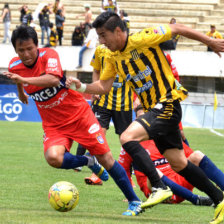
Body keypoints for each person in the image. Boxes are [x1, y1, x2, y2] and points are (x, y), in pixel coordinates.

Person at [65, 11, 224, 224]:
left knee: (127, 137)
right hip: (154, 109)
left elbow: (176, 29)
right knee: (178, 163)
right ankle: (220, 200)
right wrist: (83, 86)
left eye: (104, 35)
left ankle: (159, 186)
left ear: (119, 31)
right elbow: (103, 86)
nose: (101, 41)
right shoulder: (112, 56)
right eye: (99, 37)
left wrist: (210, 41)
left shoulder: (144, 38)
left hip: (167, 103)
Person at [4, 25, 143, 217]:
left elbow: (53, 80)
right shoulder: (14, 66)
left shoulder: (49, 55)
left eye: (30, 48)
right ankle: (88, 161)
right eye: (21, 50)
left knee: (107, 159)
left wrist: (23, 80)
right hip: (53, 125)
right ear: (15, 51)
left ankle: (134, 201)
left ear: (37, 45)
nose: (26, 54)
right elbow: (19, 78)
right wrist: (21, 92)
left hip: (80, 117)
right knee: (53, 158)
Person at [119, 104, 224, 207]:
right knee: (155, 171)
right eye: (140, 118)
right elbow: (123, 170)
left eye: (145, 117)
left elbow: (190, 161)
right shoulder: (131, 142)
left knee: (197, 155)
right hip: (155, 188)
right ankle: (196, 199)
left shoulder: (164, 135)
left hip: (178, 182)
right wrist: (130, 196)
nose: (143, 121)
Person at [75, 44, 134, 185]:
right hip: (102, 102)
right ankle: (97, 173)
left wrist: (138, 98)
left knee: (127, 141)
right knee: (97, 136)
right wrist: (95, 89)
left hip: (124, 104)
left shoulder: (130, 48)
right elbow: (96, 70)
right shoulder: (101, 49)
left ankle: (128, 173)